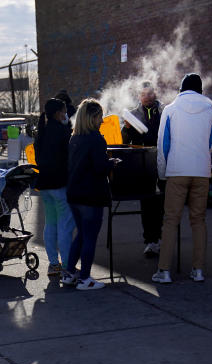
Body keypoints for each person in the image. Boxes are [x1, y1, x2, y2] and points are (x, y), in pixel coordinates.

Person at [152, 73, 212, 284]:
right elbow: (210, 143)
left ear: (181, 89)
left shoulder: (171, 110)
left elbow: (163, 145)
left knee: (171, 220)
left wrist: (162, 173)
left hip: (177, 171)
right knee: (198, 220)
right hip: (201, 171)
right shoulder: (211, 111)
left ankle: (164, 270)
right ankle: (198, 270)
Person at [64, 98, 118, 291]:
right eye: (100, 117)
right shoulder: (95, 138)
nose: (102, 121)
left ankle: (69, 273)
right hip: (91, 195)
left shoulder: (75, 138)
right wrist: (112, 163)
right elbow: (99, 167)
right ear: (93, 118)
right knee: (89, 237)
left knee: (81, 234)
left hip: (74, 194)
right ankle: (85, 278)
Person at [121, 82, 165, 258]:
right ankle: (150, 241)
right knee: (147, 204)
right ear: (139, 96)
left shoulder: (163, 112)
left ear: (154, 94)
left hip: (161, 161)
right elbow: (124, 141)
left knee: (161, 203)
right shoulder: (132, 115)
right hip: (143, 164)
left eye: (149, 93)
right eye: (143, 94)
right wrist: (127, 128)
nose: (147, 97)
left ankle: (160, 238)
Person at [34, 98, 76, 277]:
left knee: (50, 223)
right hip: (60, 183)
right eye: (64, 111)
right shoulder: (61, 131)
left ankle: (53, 264)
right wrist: (68, 128)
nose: (66, 114)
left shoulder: (42, 131)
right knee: (65, 225)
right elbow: (70, 154)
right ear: (58, 113)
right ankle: (67, 264)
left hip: (44, 184)